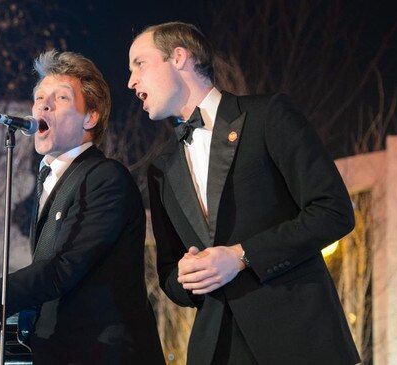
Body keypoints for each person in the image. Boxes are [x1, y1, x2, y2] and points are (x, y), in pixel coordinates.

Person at [127, 22, 361, 365]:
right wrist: (188, 275)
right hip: (216, 348)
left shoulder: (268, 116)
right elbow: (168, 275)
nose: (131, 81)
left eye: (139, 64)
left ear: (179, 57)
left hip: (297, 339)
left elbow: (333, 211)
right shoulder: (161, 168)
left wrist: (241, 255)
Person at [0, 50, 165, 364]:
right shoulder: (51, 179)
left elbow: (61, 268)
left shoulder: (105, 178)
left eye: (60, 97)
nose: (43, 104)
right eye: (39, 97)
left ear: (90, 117)